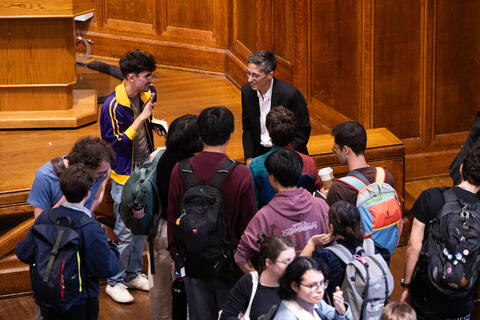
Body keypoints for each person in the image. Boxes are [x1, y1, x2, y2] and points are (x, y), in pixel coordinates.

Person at [167, 106, 256, 320]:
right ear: (230, 133)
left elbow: (173, 220)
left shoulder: (180, 170)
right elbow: (248, 226)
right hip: (231, 264)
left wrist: (179, 257)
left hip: (193, 260)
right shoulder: (241, 173)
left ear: (200, 133)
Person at [17, 164, 119, 320]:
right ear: (88, 192)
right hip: (80, 303)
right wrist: (112, 247)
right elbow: (106, 269)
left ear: (62, 191)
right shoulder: (91, 227)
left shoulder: (45, 217)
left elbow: (23, 253)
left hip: (46, 299)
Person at [100, 49, 161, 303]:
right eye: (147, 76)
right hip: (125, 175)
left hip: (145, 169)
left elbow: (145, 124)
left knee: (141, 228)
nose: (150, 80)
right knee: (125, 232)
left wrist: (153, 121)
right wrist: (143, 118)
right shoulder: (112, 106)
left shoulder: (147, 93)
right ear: (131, 77)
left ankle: (132, 274)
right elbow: (115, 145)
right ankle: (114, 281)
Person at [400, 147, 480, 319]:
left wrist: (407, 286)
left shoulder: (430, 197)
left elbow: (414, 247)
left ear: (461, 168)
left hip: (427, 295)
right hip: (462, 299)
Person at [235, 149, 329, 274]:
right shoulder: (321, 205)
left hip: (280, 290)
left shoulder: (264, 217)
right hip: (318, 285)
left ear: (272, 177)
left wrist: (260, 284)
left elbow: (241, 257)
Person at [150, 115, 203, 320]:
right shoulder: (189, 168)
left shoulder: (157, 155)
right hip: (179, 234)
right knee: (184, 291)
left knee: (159, 289)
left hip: (157, 228)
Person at [300, 200, 390, 302]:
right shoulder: (375, 247)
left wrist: (311, 243)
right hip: (376, 309)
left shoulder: (326, 258)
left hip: (343, 312)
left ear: (331, 226)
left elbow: (298, 271)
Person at [241, 50, 311, 165]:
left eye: (255, 75)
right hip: (260, 152)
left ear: (270, 75)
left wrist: (282, 158)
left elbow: (302, 133)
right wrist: (249, 157)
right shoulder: (247, 91)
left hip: (287, 155)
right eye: (248, 73)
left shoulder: (290, 95)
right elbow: (247, 128)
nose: (249, 79)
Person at [249, 106, 320, 209]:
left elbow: (254, 203)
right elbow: (316, 193)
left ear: (269, 133)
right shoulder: (308, 162)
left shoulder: (256, 165)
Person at [28, 137, 115, 218]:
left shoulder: (103, 169)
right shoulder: (44, 176)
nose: (104, 175)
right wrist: (71, 196)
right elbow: (40, 222)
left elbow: (107, 172)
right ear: (85, 170)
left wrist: (98, 197)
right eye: (99, 173)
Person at [220, 235, 295, 320]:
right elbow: (227, 316)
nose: (292, 266)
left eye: (294, 260)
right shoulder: (249, 282)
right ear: (269, 262)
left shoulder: (297, 283)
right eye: (286, 262)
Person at [322, 121, 394, 206]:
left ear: (345, 149)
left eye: (335, 149)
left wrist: (323, 198)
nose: (336, 153)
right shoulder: (385, 176)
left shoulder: (338, 189)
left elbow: (331, 218)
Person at [273, 257, 352, 320]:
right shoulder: (286, 317)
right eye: (312, 285)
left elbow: (332, 315)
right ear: (294, 286)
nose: (320, 290)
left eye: (321, 283)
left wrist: (341, 311)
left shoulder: (314, 302)